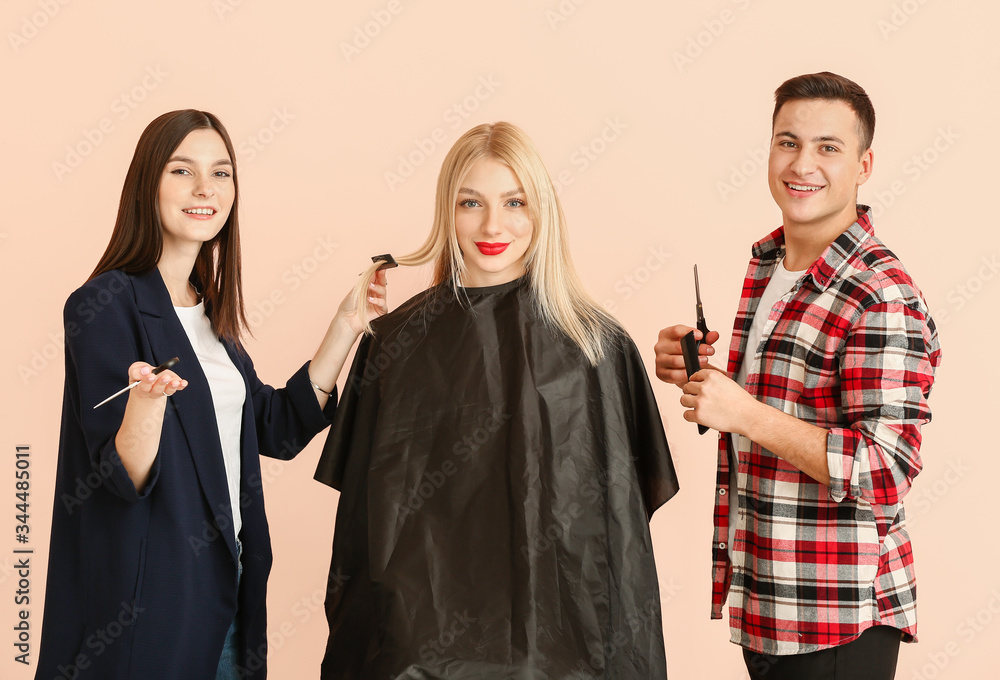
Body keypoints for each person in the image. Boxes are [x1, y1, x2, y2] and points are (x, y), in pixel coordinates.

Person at [314, 121, 679, 679]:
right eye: (471, 203)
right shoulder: (394, 344)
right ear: (447, 212)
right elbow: (363, 528)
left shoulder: (598, 346)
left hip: (566, 651)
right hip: (419, 652)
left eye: (514, 202)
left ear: (542, 212)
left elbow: (621, 526)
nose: (492, 225)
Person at [35, 109, 387, 680]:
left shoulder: (209, 312)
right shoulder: (102, 305)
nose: (206, 189)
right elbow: (118, 475)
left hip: (233, 588)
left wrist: (346, 327)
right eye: (182, 171)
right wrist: (146, 406)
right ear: (147, 185)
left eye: (221, 173)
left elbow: (274, 427)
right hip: (152, 602)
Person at [654, 72, 942, 679]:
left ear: (864, 165)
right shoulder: (772, 264)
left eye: (827, 147)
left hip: (836, 621)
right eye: (788, 142)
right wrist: (703, 374)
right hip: (770, 603)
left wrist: (744, 413)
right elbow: (787, 402)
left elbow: (885, 469)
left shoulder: (880, 294)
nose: (802, 163)